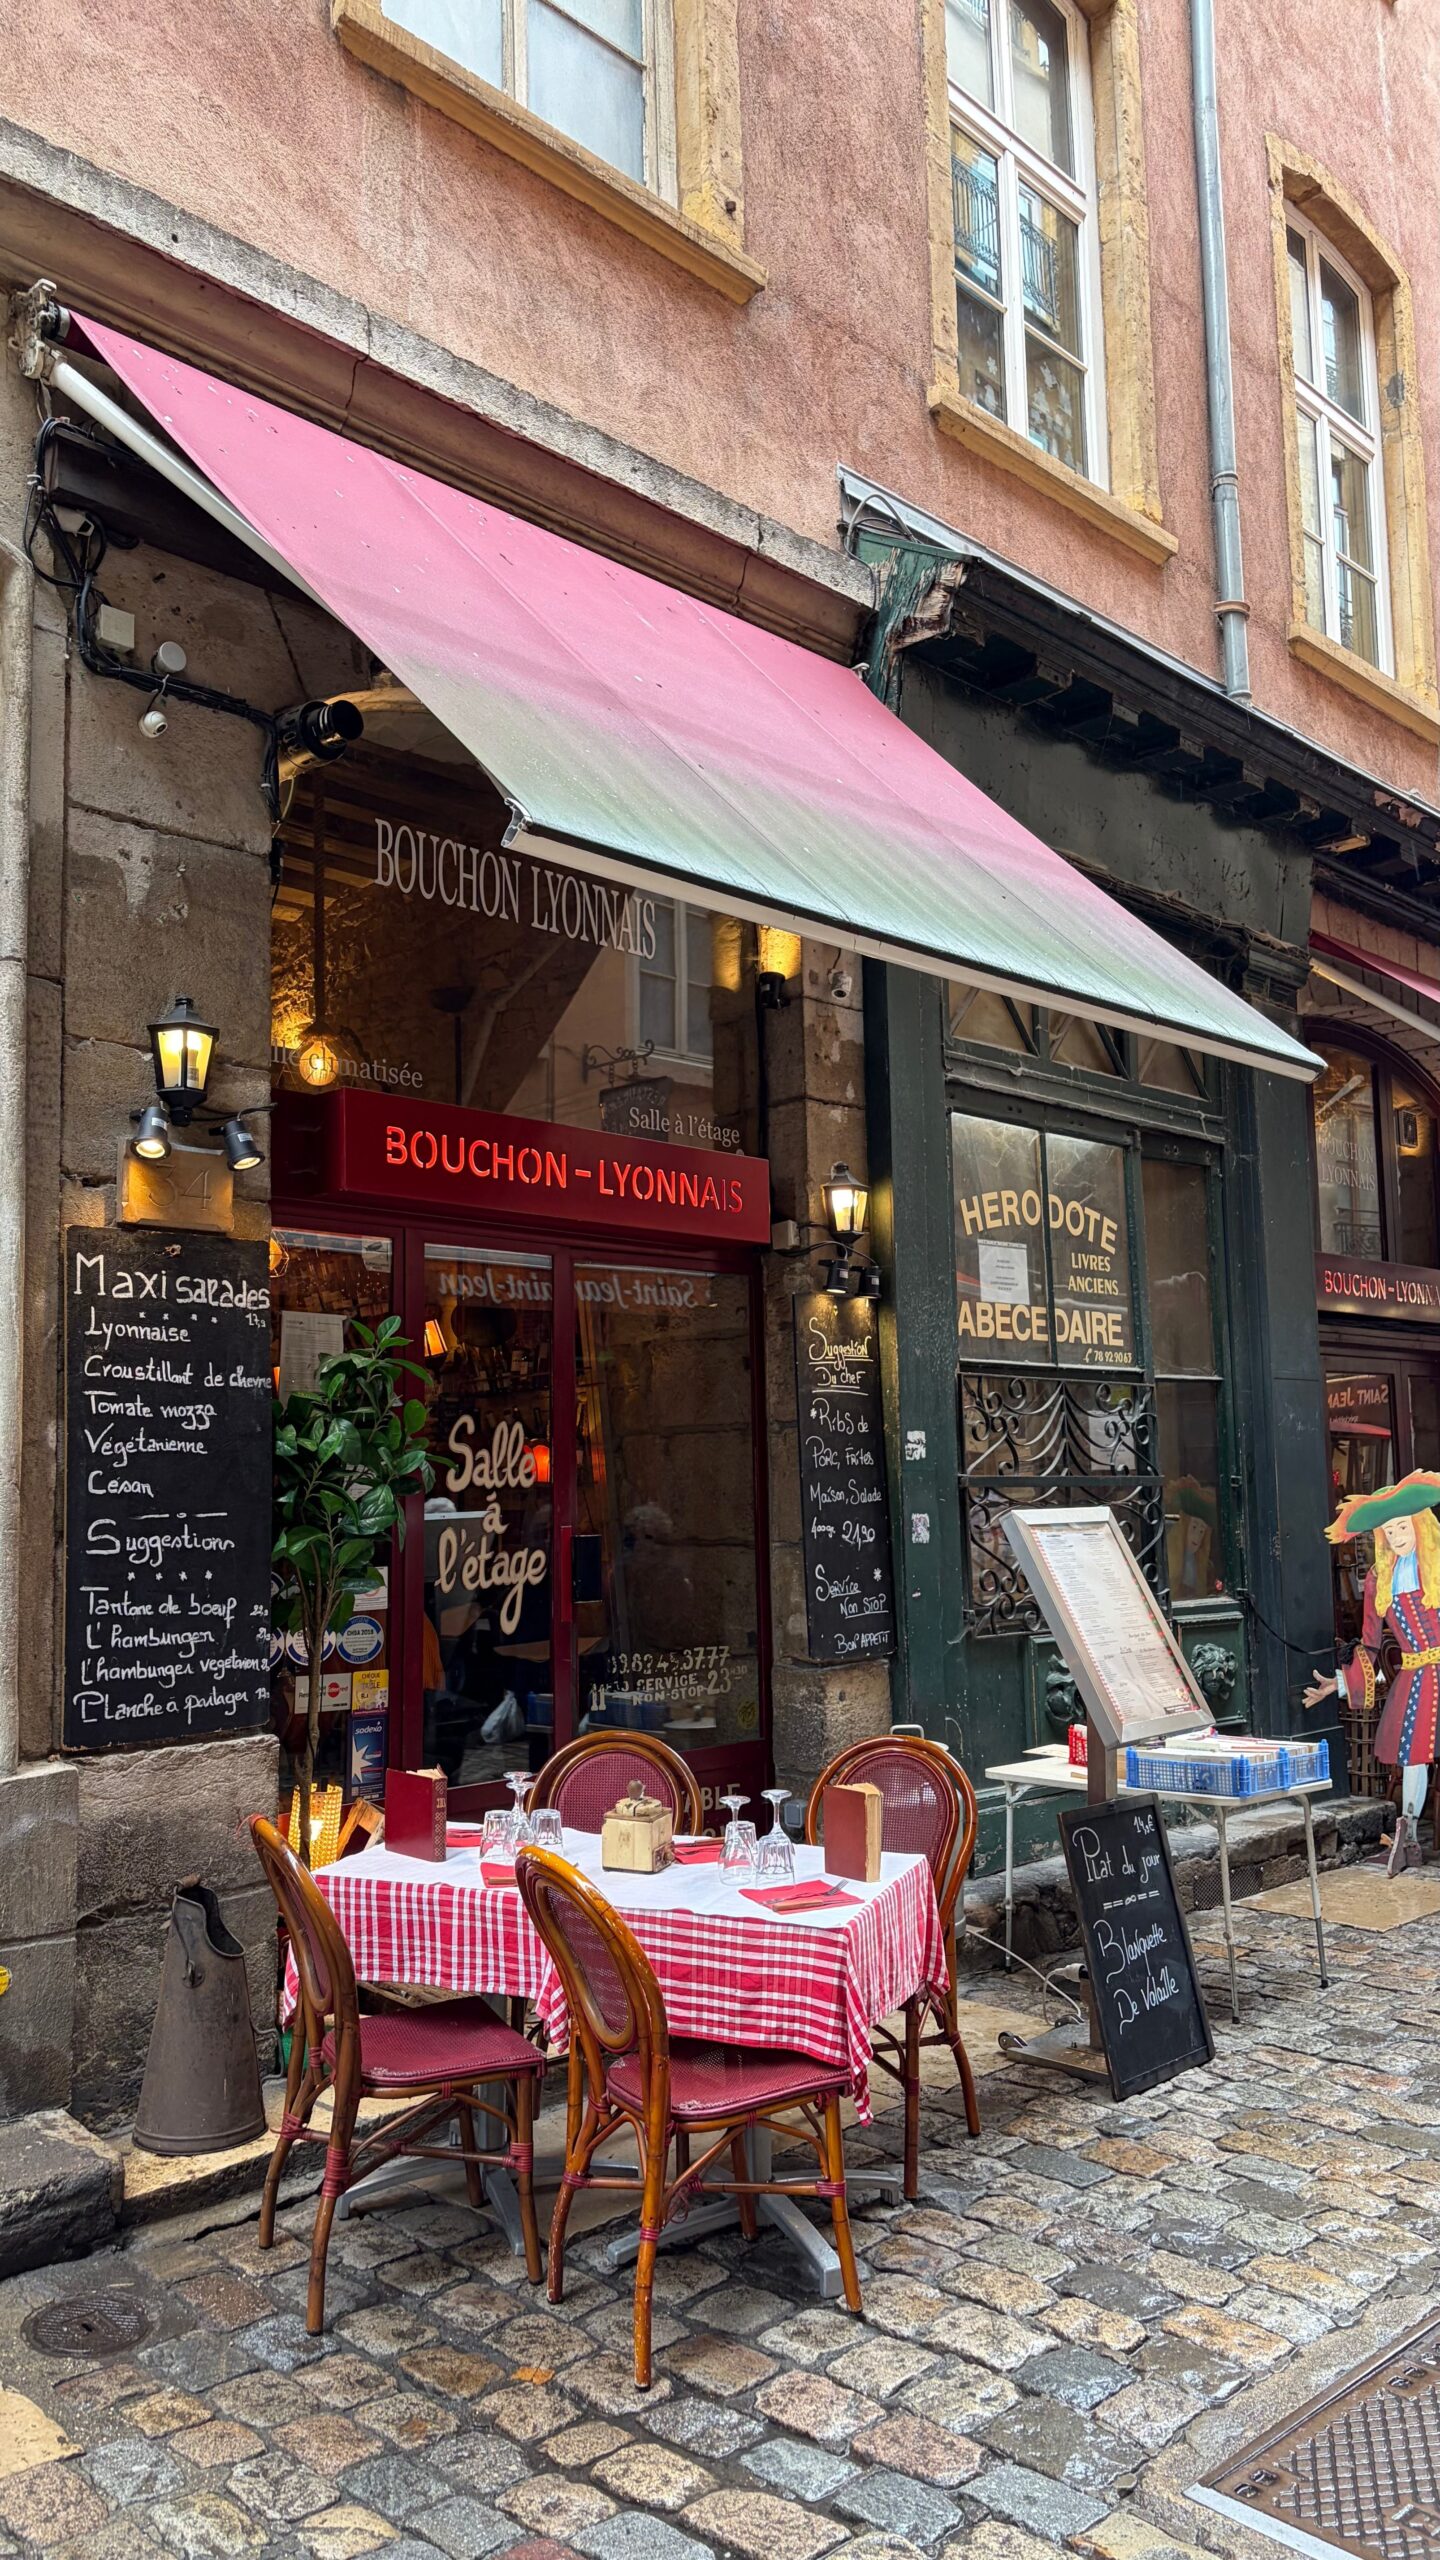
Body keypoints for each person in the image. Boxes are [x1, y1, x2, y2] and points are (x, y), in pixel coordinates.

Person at [1304, 1469, 1440, 1878]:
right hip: (1415, 1678)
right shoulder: (1379, 1580)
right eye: (1388, 1530)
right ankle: (1409, 1837)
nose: (1396, 1536)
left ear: (1419, 1524)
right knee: (1414, 1757)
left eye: (1402, 1526)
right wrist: (1340, 1683)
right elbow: (1370, 1646)